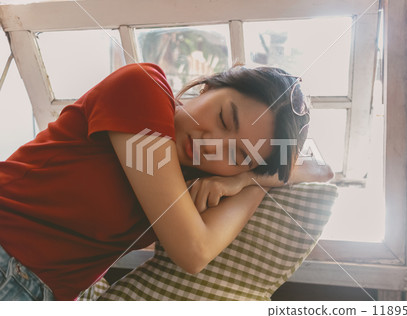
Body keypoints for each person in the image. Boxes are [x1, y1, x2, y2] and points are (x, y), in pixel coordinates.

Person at [0, 63, 332, 301]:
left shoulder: (189, 185)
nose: (210, 145)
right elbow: (195, 250)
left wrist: (247, 180)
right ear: (208, 88)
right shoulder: (142, 89)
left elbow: (321, 168)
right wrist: (252, 176)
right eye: (223, 119)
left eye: (236, 154)